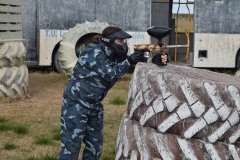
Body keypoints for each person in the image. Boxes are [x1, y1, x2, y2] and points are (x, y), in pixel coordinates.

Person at [58, 26, 168, 160]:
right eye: (120, 41)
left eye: (124, 41)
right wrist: (129, 60)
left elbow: (131, 65)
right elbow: (110, 73)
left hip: (94, 105)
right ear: (109, 40)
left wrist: (155, 61)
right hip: (76, 104)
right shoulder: (93, 52)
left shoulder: (113, 55)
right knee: (71, 147)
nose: (123, 44)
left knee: (95, 147)